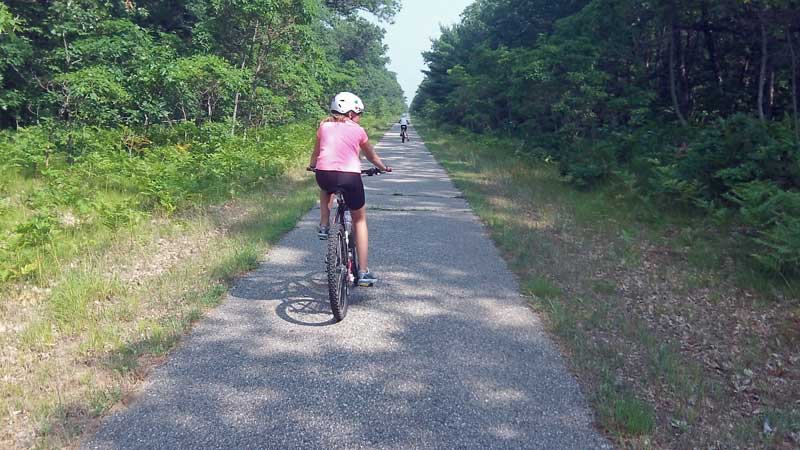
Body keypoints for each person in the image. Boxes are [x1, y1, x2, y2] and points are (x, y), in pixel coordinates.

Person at [308, 92, 391, 287]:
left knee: (325, 187)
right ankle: (362, 271)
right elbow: (371, 156)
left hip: (325, 175)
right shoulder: (358, 130)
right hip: (350, 177)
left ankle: (324, 224)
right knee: (359, 219)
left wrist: (313, 165)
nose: (359, 117)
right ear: (351, 113)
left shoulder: (323, 127)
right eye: (359, 113)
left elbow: (317, 152)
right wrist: (382, 167)